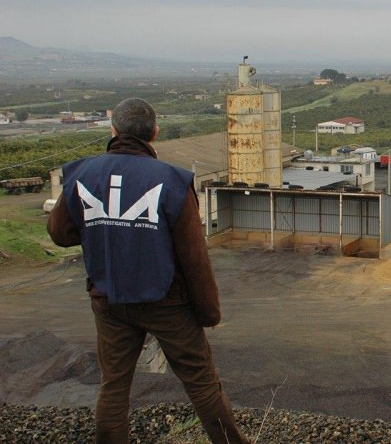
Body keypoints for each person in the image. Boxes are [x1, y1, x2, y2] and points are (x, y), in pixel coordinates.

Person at [47, 98, 249, 444]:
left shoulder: (81, 174)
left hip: (108, 298)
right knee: (201, 383)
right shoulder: (170, 181)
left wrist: (103, 228)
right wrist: (208, 312)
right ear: (154, 134)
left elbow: (60, 233)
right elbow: (193, 257)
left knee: (113, 386)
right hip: (166, 302)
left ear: (114, 130)